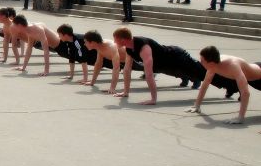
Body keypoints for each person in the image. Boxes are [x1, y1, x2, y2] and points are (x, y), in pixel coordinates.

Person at [111, 28, 239, 105]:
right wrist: (126, 92)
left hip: (177, 58)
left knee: (202, 73)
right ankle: (230, 86)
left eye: (115, 39)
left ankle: (234, 85)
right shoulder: (129, 48)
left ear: (123, 39)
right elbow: (127, 70)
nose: (114, 41)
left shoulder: (143, 47)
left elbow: (149, 74)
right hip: (167, 66)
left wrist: (153, 99)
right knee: (193, 75)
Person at [186, 46, 261, 124]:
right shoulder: (212, 66)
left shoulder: (232, 65)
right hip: (253, 79)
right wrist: (197, 105)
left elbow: (245, 93)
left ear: (210, 63)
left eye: (202, 60)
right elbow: (205, 83)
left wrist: (240, 118)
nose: (200, 62)